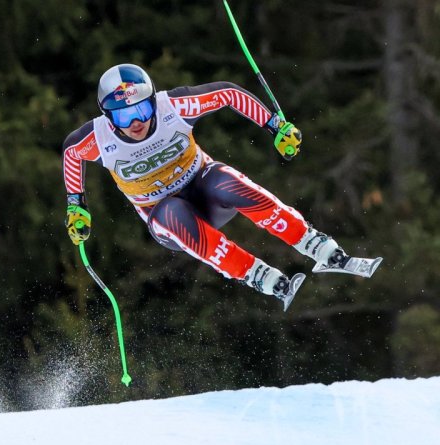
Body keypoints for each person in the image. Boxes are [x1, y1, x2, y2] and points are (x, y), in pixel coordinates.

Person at [62, 64, 381, 310]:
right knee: (173, 211)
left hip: (205, 189)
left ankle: (317, 246)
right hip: (164, 216)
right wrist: (77, 205)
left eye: (143, 109)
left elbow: (228, 93)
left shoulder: (174, 107)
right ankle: (257, 275)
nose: (136, 122)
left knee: (224, 182)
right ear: (107, 116)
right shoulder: (97, 138)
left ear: (153, 101)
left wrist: (274, 126)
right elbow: (72, 153)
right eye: (123, 116)